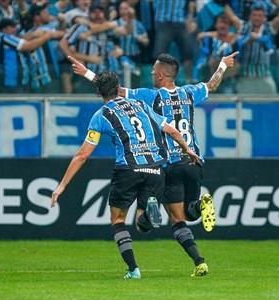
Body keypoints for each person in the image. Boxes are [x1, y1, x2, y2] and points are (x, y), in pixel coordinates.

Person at [67, 49, 237, 277]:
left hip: (169, 163)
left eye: (154, 71)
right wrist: (223, 65)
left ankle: (150, 216)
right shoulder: (190, 92)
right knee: (189, 213)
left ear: (159, 76)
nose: (151, 74)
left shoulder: (150, 96)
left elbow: (114, 90)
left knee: (173, 221)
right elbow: (213, 84)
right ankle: (199, 237)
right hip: (194, 160)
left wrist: (86, 73)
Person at [51, 71, 200, 280]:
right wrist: (188, 150)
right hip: (155, 169)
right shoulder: (140, 105)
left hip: (128, 170)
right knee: (141, 225)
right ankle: (147, 214)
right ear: (119, 86)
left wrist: (62, 186)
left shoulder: (101, 115)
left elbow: (82, 155)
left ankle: (133, 270)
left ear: (98, 92)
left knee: (118, 219)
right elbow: (173, 131)